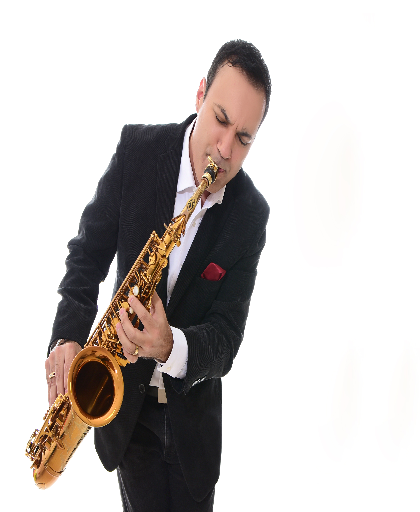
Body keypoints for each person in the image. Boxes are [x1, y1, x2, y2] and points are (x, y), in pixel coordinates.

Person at [44, 40, 271, 511]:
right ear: (200, 94)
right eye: (221, 119)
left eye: (244, 138)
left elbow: (226, 338)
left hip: (193, 433)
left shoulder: (250, 214)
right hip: (125, 412)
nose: (225, 149)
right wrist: (67, 335)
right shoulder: (138, 151)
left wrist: (170, 346)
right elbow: (87, 254)